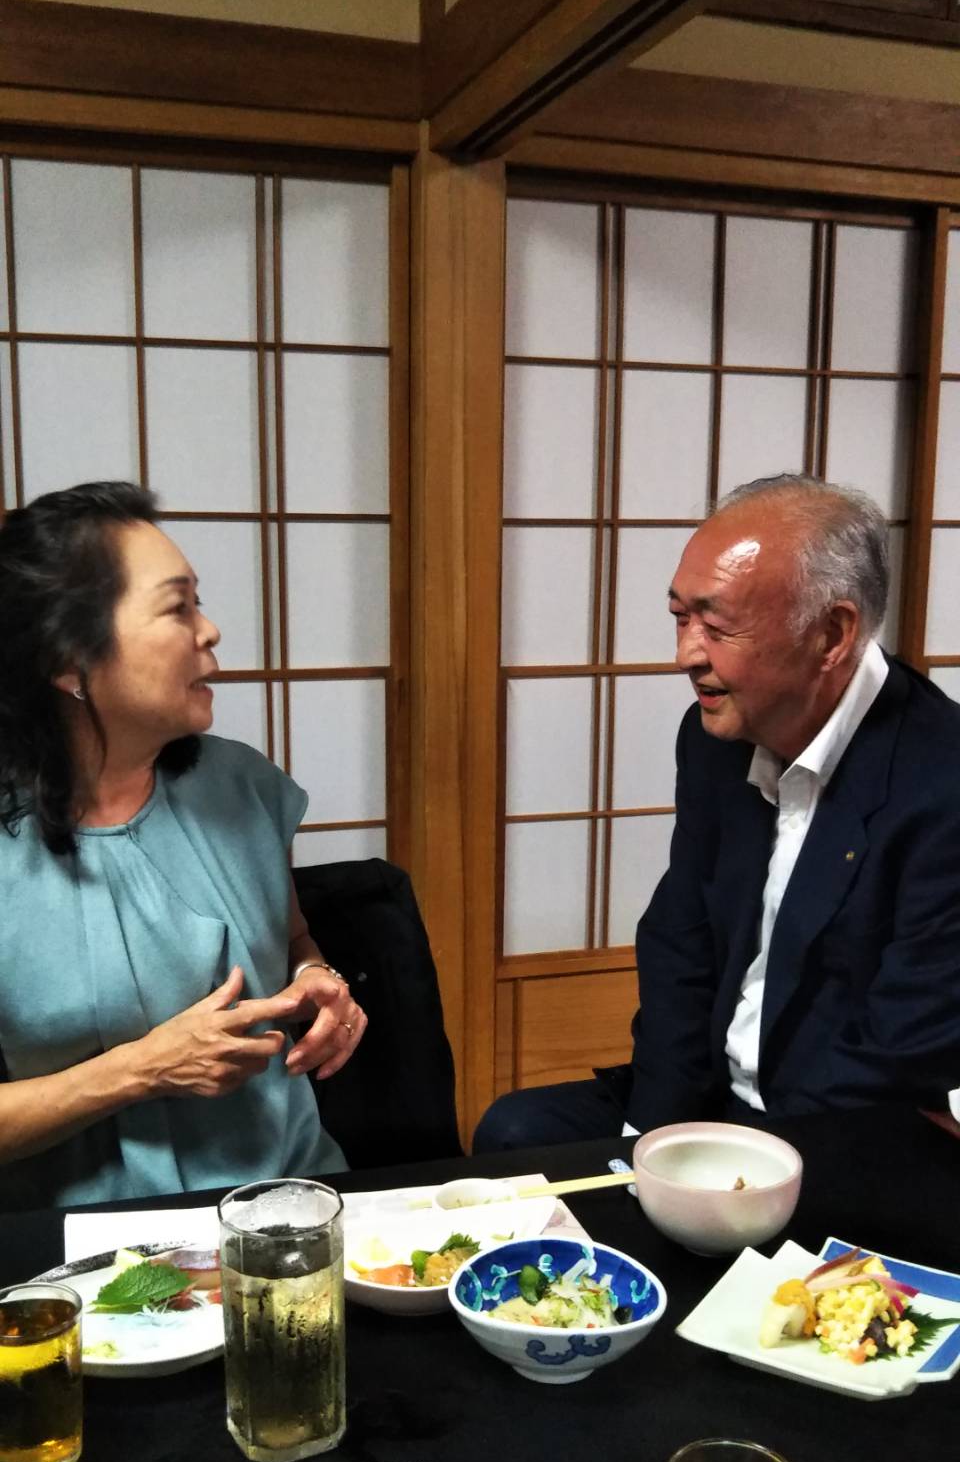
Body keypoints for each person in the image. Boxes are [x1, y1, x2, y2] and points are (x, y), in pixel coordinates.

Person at [474, 473, 960, 1153]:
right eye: (680, 616)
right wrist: (651, 1137)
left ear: (831, 634)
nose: (686, 655)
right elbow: (682, 942)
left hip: (838, 1131)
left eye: (719, 626)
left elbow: (903, 1050)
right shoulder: (714, 741)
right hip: (715, 1094)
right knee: (517, 1134)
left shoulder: (941, 781)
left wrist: (744, 1172)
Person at [0, 481, 367, 1206]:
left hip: (287, 1202)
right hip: (79, 1244)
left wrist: (316, 979)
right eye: (178, 607)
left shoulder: (240, 787)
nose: (211, 630)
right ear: (67, 659)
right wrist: (141, 1070)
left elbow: (292, 937)